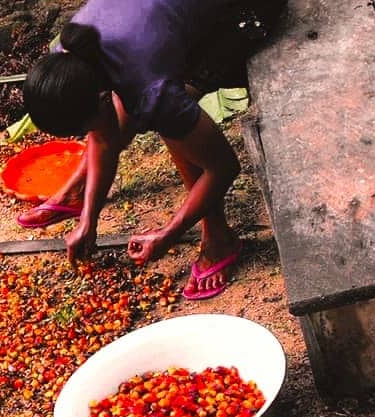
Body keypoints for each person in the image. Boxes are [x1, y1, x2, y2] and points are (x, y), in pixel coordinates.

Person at [19, 0, 286, 299]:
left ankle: (220, 238)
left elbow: (223, 167)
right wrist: (88, 220)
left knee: (170, 119)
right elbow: (103, 138)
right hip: (168, 25)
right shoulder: (69, 55)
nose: (86, 137)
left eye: (83, 130)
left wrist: (169, 233)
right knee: (156, 112)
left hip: (247, 11)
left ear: (104, 97)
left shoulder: (149, 88)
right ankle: (77, 196)